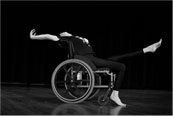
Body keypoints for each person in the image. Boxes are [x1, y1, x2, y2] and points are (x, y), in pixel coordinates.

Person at [30, 29, 162, 107]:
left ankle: (147, 49)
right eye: (62, 33)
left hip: (93, 59)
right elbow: (48, 36)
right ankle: (115, 94)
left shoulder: (79, 38)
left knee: (119, 61)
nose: (63, 31)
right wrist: (34, 37)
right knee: (121, 66)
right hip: (87, 61)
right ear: (63, 36)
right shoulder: (65, 39)